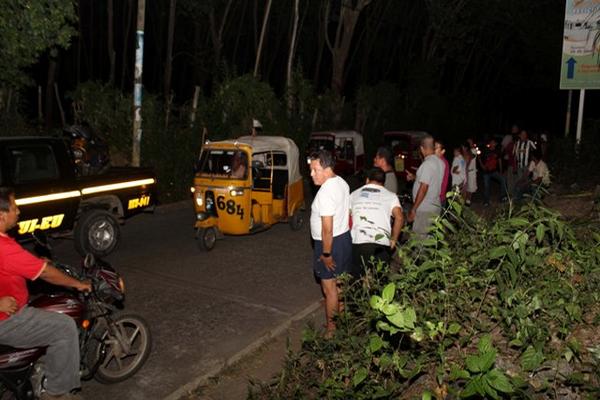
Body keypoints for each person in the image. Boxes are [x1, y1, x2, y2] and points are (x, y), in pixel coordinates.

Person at [0, 187, 91, 400]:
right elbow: (48, 275)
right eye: (15, 207)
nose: (19, 211)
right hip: (8, 320)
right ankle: (56, 393)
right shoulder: (3, 247)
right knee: (64, 327)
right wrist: (78, 284)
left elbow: (15, 262)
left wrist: (35, 263)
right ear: (1, 215)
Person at [309, 150, 352, 336]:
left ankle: (332, 329)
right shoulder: (341, 182)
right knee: (340, 283)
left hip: (329, 244)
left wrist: (326, 254)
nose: (311, 174)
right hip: (343, 239)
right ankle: (342, 317)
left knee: (329, 288)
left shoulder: (325, 192)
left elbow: (327, 228)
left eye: (315, 170)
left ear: (327, 169)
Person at [349, 168, 404, 276]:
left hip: (359, 242)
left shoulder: (354, 194)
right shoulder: (391, 196)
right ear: (383, 183)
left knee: (357, 280)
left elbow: (347, 217)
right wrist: (393, 239)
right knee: (379, 280)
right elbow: (400, 218)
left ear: (367, 180)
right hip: (381, 243)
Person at [407, 135, 444, 238]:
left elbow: (424, 188)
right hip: (435, 206)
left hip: (425, 209)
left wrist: (413, 209)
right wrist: (415, 177)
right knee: (430, 239)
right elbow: (431, 180)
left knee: (420, 241)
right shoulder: (440, 162)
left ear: (422, 149)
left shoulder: (427, 164)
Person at [479, 139, 508, 206]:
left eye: (493, 142)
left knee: (503, 180)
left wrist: (501, 171)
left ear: (495, 144)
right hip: (486, 172)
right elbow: (479, 158)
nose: (492, 143)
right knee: (487, 186)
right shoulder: (485, 150)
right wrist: (482, 166)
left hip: (494, 171)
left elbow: (499, 160)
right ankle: (486, 201)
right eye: (491, 142)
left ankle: (502, 197)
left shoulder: (497, 151)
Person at [434, 140, 450, 206]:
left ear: (443, 151)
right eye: (434, 147)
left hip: (438, 198)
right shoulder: (436, 161)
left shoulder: (442, 162)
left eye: (437, 148)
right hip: (437, 197)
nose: (434, 149)